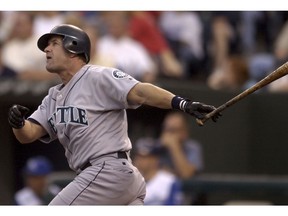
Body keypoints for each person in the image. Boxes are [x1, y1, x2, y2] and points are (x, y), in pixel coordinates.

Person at [7, 24, 221, 205]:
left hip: (107, 171)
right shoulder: (53, 97)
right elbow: (29, 133)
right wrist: (18, 123)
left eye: (53, 43)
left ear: (73, 47)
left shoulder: (97, 76)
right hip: (109, 177)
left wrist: (181, 103)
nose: (46, 49)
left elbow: (141, 92)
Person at [133, 137, 184, 205]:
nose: (139, 160)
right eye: (138, 156)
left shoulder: (169, 181)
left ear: (155, 159)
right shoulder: (130, 181)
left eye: (144, 157)